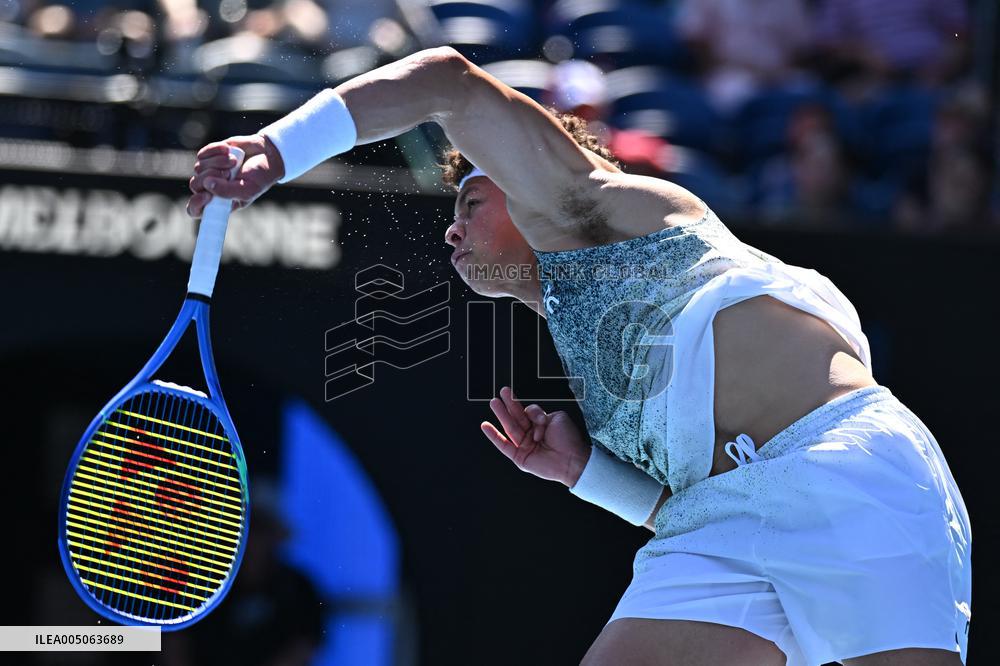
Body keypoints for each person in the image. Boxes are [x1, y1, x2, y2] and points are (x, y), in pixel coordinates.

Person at [185, 47, 971, 666]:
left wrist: (276, 148)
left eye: (470, 203)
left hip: (852, 475)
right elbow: (693, 499)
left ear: (528, 187)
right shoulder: (588, 353)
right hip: (722, 525)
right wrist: (584, 473)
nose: (451, 231)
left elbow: (446, 81)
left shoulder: (598, 205)